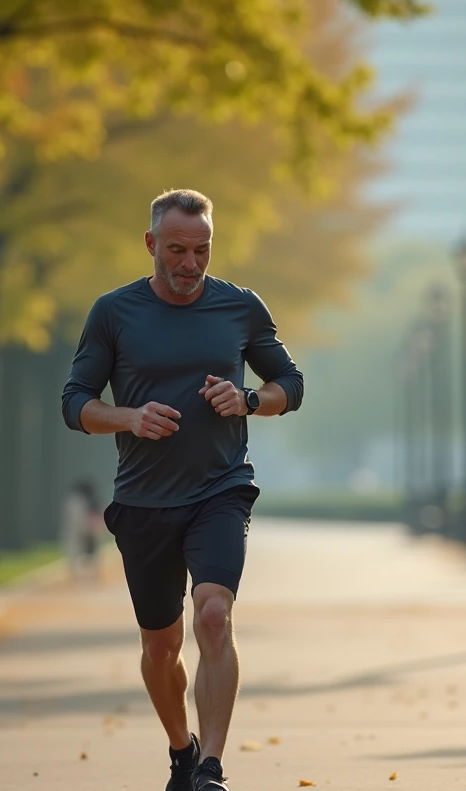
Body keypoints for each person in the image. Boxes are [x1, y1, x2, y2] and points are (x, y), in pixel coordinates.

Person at [60, 189, 304, 791]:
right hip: (143, 500)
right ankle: (181, 749)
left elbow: (289, 384)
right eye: (177, 250)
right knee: (161, 646)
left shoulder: (239, 307)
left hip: (220, 489)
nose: (191, 263)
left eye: (202, 249)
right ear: (151, 246)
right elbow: (74, 403)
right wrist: (128, 417)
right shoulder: (113, 313)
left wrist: (249, 400)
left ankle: (212, 770)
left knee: (214, 617)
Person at [60, 478, 103, 581]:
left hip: (86, 530)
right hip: (79, 530)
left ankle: (87, 575)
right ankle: (77, 576)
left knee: (86, 552)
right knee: (75, 550)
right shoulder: (75, 502)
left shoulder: (87, 500)